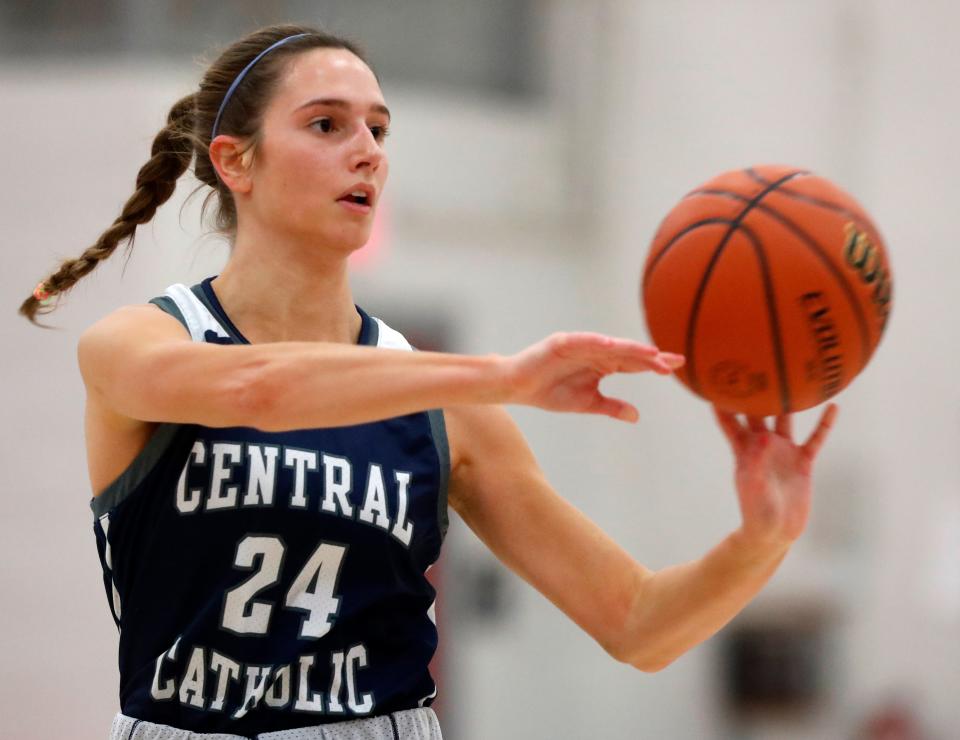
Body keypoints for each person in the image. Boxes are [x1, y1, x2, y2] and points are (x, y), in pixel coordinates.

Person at [20, 23, 838, 740]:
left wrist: (760, 541)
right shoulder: (134, 347)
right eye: (327, 124)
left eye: (378, 127)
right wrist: (504, 377)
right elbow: (257, 391)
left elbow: (636, 623)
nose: (368, 148)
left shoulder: (449, 409)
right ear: (235, 161)